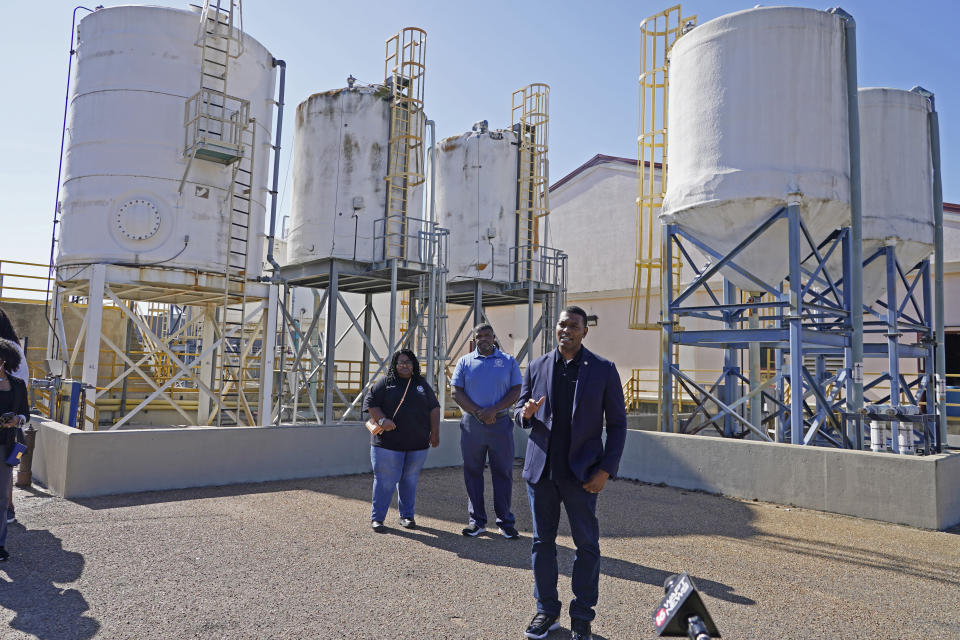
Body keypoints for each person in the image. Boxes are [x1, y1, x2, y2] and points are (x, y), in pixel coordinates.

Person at [514, 306, 627, 640]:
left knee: (587, 546)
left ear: (584, 331)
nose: (567, 330)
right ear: (556, 328)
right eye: (562, 324)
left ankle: (582, 616)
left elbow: (618, 426)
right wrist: (526, 414)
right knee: (541, 544)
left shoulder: (603, 370)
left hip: (582, 475)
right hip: (542, 473)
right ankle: (547, 611)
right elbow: (520, 415)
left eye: (573, 326)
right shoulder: (536, 366)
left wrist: (606, 470)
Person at [451, 323, 523, 538]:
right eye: (479, 335)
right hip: (473, 425)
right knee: (472, 472)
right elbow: (456, 391)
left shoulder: (508, 361)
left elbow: (516, 390)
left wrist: (493, 410)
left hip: (500, 424)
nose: (483, 338)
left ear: (494, 337)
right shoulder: (465, 362)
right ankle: (477, 521)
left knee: (503, 473)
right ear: (474, 339)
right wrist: (479, 413)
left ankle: (505, 522)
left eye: (487, 335)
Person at [362, 349, 440, 533]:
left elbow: (434, 408)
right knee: (385, 481)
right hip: (388, 445)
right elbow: (370, 402)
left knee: (410, 480)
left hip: (417, 444)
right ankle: (378, 519)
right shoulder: (386, 382)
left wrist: (435, 433)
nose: (404, 365)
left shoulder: (421, 384)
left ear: (414, 365)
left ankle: (406, 516)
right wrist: (382, 421)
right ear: (395, 365)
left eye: (408, 362)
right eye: (400, 362)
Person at [0, 338, 29, 562]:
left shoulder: (18, 385)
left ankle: (0, 544)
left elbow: (25, 414)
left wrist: (16, 419)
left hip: (7, 446)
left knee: (2, 497)